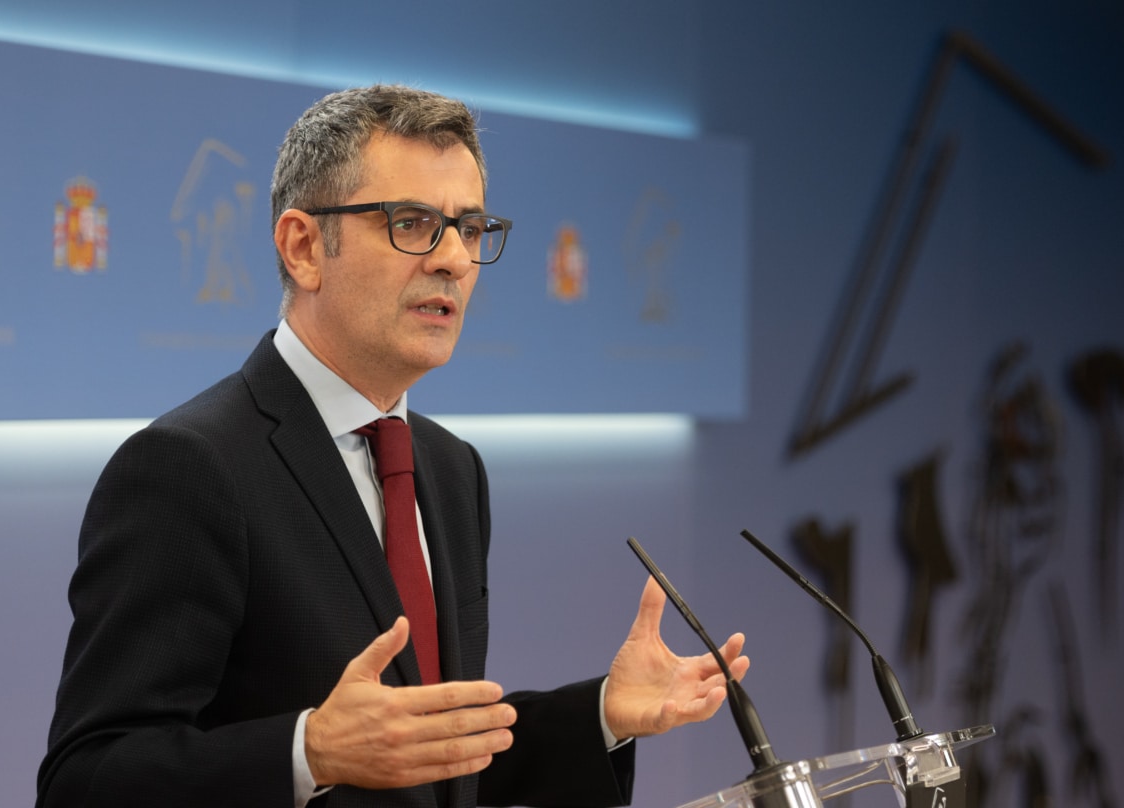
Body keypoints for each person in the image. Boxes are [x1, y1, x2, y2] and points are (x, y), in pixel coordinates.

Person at [37, 84, 750, 808]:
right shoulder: (190, 468)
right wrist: (307, 751)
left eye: (469, 229)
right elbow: (88, 779)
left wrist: (599, 715)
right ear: (304, 246)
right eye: (413, 224)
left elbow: (431, 759)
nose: (454, 261)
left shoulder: (448, 468)